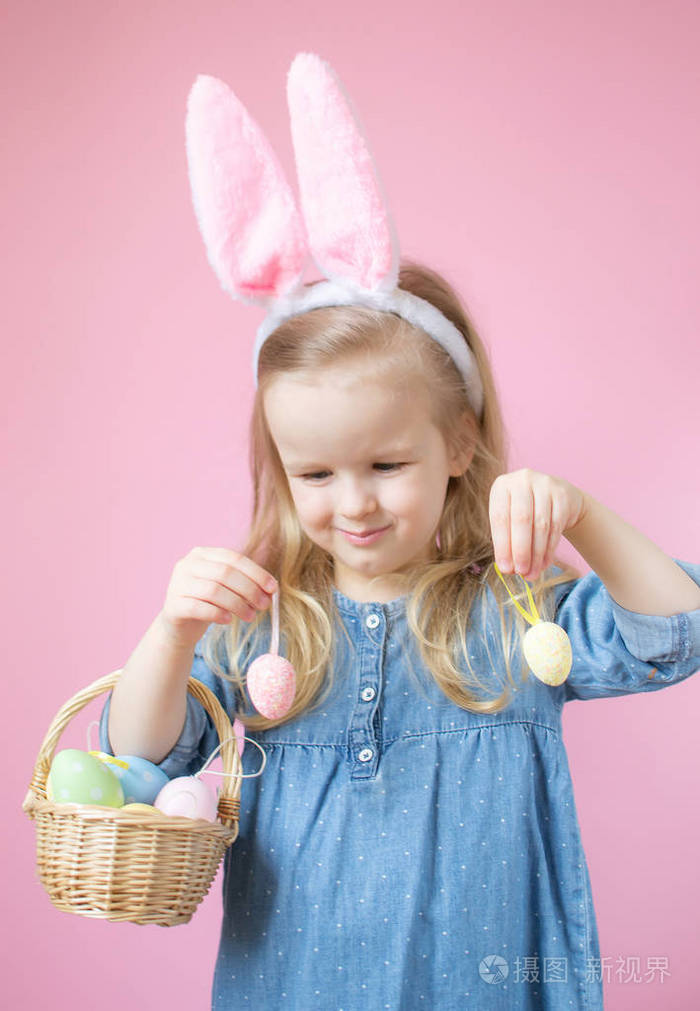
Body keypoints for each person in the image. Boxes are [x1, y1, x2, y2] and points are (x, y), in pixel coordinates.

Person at [99, 56, 700, 1010]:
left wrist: (579, 512)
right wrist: (171, 633)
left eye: (386, 464)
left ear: (459, 442)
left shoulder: (514, 614)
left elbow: (676, 634)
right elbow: (138, 759)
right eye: (316, 474)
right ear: (280, 469)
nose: (356, 503)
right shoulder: (265, 626)